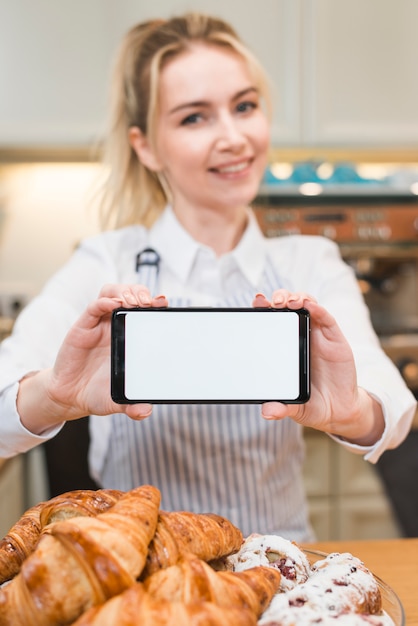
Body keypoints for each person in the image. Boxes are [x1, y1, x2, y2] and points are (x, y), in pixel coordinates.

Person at [0, 13, 415, 542]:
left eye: (245, 106)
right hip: (140, 574)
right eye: (194, 118)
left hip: (279, 572)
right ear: (145, 146)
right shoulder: (104, 263)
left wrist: (352, 410)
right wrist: (54, 396)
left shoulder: (311, 263)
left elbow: (393, 410)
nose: (234, 137)